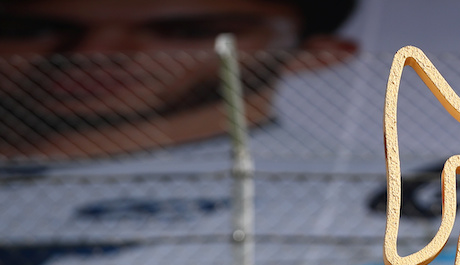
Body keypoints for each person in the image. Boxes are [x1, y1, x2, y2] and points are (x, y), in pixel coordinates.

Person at [0, 0, 358, 159]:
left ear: (315, 54)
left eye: (187, 32)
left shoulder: (356, 205)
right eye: (31, 30)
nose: (91, 53)